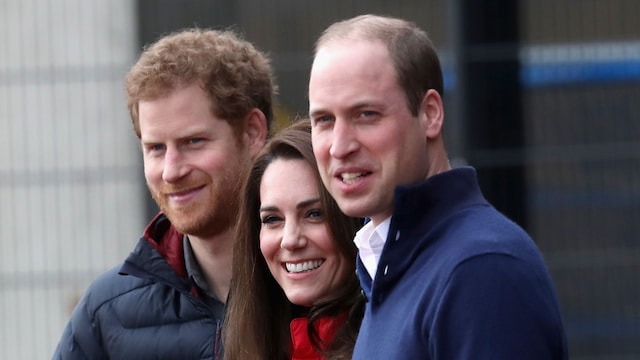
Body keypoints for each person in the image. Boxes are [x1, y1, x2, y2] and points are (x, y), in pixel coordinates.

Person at [308, 14, 568, 359]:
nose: (339, 146)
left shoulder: (480, 267)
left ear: (430, 114)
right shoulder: (391, 265)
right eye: (324, 120)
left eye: (366, 114)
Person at [53, 28, 275, 359]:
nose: (171, 171)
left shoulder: (327, 281)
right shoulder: (105, 313)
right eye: (156, 148)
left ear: (252, 132)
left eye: (193, 142)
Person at [222, 120, 364, 360]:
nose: (290, 240)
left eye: (314, 214)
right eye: (272, 219)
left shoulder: (393, 340)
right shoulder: (251, 339)